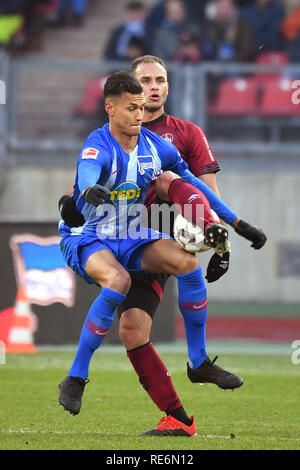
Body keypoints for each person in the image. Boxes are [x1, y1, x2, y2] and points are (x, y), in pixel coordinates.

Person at [58, 63, 266, 436]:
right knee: (118, 282)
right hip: (87, 234)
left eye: (142, 106)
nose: (140, 114)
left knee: (185, 261)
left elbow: (193, 183)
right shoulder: (97, 144)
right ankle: (76, 376)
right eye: (132, 106)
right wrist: (88, 191)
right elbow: (87, 172)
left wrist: (236, 223)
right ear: (110, 107)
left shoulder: (162, 145)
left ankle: (198, 362)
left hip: (133, 233)